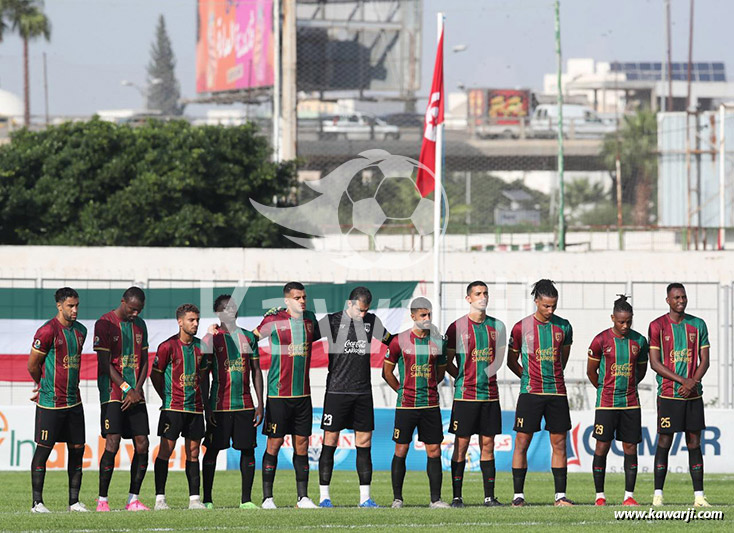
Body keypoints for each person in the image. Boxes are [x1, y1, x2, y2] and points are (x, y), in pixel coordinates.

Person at [317, 286, 391, 508]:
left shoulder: (372, 321)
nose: (362, 314)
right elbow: (303, 332)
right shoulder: (331, 321)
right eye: (360, 310)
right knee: (330, 441)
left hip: (362, 393)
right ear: (349, 304)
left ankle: (365, 498)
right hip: (336, 392)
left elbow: (391, 341)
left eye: (366, 311)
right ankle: (324, 497)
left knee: (364, 443)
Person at [254, 282, 322, 509]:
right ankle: (267, 498)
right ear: (286, 300)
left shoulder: (310, 319)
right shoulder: (273, 320)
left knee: (302, 445)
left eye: (303, 297)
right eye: (297, 297)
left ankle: (303, 497)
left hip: (303, 395)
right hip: (278, 395)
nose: (302, 301)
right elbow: (250, 339)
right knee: (273, 444)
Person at [507, 279, 574, 507]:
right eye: (546, 306)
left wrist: (552, 376)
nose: (550, 310)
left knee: (559, 444)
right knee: (522, 443)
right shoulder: (520, 327)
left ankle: (560, 496)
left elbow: (562, 359)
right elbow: (511, 361)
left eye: (553, 306)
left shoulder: (564, 327)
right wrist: (527, 377)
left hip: (556, 392)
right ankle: (518, 496)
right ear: (536, 302)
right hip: (531, 393)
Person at [648, 283, 711, 508]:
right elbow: (655, 363)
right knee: (665, 441)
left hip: (693, 395)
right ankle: (658, 495)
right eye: (676, 297)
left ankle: (699, 497)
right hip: (669, 395)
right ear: (668, 300)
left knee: (694, 443)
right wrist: (682, 381)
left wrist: (693, 382)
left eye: (683, 297)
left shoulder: (698, 325)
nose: (681, 301)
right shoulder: (657, 326)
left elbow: (705, 360)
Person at [382, 297, 449, 509]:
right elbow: (387, 372)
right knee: (401, 450)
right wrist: (402, 390)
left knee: (434, 451)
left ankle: (435, 500)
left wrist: (428, 387)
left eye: (429, 315)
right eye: (423, 315)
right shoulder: (398, 341)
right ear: (413, 317)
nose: (427, 319)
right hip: (406, 406)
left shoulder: (438, 341)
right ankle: (397, 499)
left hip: (430, 405)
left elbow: (440, 373)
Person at [200, 294, 264, 510]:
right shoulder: (211, 339)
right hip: (219, 406)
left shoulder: (248, 337)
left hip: (245, 405)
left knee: (248, 450)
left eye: (233, 307)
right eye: (226, 308)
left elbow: (256, 371)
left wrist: (260, 404)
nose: (231, 311)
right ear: (218, 313)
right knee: (212, 450)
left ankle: (246, 500)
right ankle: (207, 499)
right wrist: (207, 406)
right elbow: (203, 376)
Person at [445, 281, 505, 507]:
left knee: (488, 445)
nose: (483, 297)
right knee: (461, 444)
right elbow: (447, 361)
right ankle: (457, 496)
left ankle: (489, 497)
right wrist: (460, 377)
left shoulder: (497, 327)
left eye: (486, 293)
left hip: (490, 396)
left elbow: (498, 361)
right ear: (468, 298)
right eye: (478, 294)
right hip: (465, 396)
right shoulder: (456, 327)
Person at [28, 287, 88, 513]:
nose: (75, 310)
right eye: (70, 306)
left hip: (74, 402)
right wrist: (41, 385)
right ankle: (37, 503)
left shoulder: (81, 331)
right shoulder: (46, 331)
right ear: (59, 306)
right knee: (43, 450)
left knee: (77, 449)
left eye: (77, 305)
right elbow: (32, 365)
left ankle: (74, 502)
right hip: (50, 403)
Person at [586, 295, 648, 507]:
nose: (625, 325)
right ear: (613, 317)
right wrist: (605, 389)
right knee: (602, 446)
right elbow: (591, 371)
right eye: (621, 321)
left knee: (630, 448)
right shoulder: (600, 340)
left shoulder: (639, 341)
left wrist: (628, 386)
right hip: (606, 404)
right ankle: (599, 496)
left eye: (628, 321)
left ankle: (628, 496)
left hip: (631, 403)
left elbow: (641, 371)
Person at [94, 286, 151, 512]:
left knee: (143, 443)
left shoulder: (140, 325)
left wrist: (136, 389)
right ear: (123, 302)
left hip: (134, 394)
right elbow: (104, 364)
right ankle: (102, 500)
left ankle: (133, 500)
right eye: (132, 309)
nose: (135, 314)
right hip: (113, 393)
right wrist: (127, 388)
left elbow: (145, 361)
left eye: (139, 310)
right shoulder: (104, 323)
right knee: (113, 442)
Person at [150, 304, 207, 510]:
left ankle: (194, 499)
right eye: (191, 320)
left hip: (195, 408)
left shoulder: (202, 347)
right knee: (166, 451)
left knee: (193, 453)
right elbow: (155, 374)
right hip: (173, 408)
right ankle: (159, 499)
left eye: (197, 320)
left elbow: (204, 376)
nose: (195, 324)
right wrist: (165, 397)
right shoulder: (167, 346)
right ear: (180, 322)